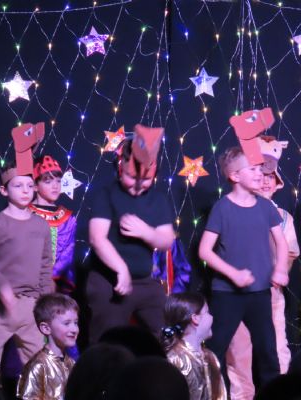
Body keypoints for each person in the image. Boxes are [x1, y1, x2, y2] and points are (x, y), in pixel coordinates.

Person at [198, 146, 288, 389]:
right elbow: (204, 251)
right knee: (217, 348)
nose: (260, 174)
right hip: (227, 294)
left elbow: (281, 243)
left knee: (267, 350)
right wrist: (233, 274)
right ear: (235, 176)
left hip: (259, 293)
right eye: (253, 169)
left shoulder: (266, 207)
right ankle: (215, 393)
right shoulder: (222, 208)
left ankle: (273, 393)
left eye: (260, 169)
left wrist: (281, 269)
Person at [87, 124, 175, 343]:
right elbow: (97, 238)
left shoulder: (158, 199)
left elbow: (166, 240)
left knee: (166, 333)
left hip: (144, 282)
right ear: (121, 167)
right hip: (109, 281)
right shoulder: (106, 194)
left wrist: (146, 233)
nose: (137, 186)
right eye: (131, 177)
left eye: (145, 180)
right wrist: (121, 269)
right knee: (108, 340)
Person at [226, 147, 300, 399]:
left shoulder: (283, 217)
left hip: (270, 294)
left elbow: (290, 252)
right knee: (240, 352)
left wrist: (277, 271)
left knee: (277, 349)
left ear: (278, 183)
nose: (266, 181)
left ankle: (281, 393)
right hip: (239, 293)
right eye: (262, 175)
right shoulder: (233, 209)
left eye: (272, 177)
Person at [0, 159, 54, 366]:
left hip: (31, 306)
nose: (25, 191)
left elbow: (45, 264)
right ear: (4, 190)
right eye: (18, 185)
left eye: (29, 185)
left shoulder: (41, 226)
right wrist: (3, 287)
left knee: (37, 363)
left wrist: (44, 300)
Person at [162, 292, 227, 400]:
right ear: (195, 318)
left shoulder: (210, 357)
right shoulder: (175, 359)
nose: (211, 317)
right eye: (207, 312)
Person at [17, 293, 79, 400]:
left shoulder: (72, 363)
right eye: (67, 323)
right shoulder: (38, 366)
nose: (74, 329)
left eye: (76, 323)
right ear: (46, 328)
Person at [29, 155, 77, 294]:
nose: (55, 186)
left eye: (58, 180)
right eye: (48, 181)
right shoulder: (25, 214)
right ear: (35, 186)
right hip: (28, 283)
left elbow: (68, 253)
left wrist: (52, 277)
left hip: (57, 285)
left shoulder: (67, 218)